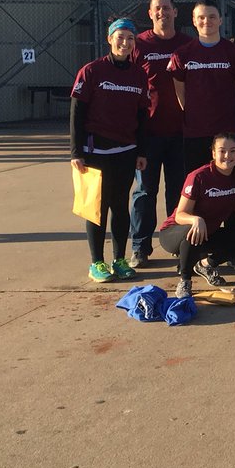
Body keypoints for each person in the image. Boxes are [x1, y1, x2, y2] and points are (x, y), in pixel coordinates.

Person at [71, 18, 151, 283]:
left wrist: (141, 151)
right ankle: (97, 263)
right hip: (95, 152)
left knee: (119, 206)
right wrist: (75, 152)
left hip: (126, 151)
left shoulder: (139, 74)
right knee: (96, 207)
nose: (125, 43)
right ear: (109, 39)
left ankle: (119, 259)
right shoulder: (91, 71)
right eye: (120, 37)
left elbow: (142, 115)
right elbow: (76, 112)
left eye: (130, 38)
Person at [158, 133, 235, 298]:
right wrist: (196, 219)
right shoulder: (199, 177)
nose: (227, 156)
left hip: (209, 232)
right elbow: (180, 215)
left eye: (233, 151)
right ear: (214, 153)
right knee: (192, 232)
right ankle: (185, 281)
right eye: (222, 151)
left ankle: (206, 265)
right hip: (175, 233)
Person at [128, 0, 190, 268]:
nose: (163, 12)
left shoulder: (188, 43)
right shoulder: (139, 44)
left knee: (179, 193)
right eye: (157, 9)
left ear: (175, 12)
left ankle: (177, 244)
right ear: (150, 14)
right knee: (144, 192)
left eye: (167, 7)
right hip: (148, 134)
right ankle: (140, 247)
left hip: (182, 134)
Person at [168, 0, 235, 174]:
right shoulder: (182, 54)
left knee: (232, 183)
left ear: (220, 20)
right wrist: (197, 113)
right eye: (201, 17)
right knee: (198, 182)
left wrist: (227, 113)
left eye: (212, 17)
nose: (206, 21)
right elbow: (180, 93)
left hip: (228, 131)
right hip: (195, 132)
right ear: (194, 21)